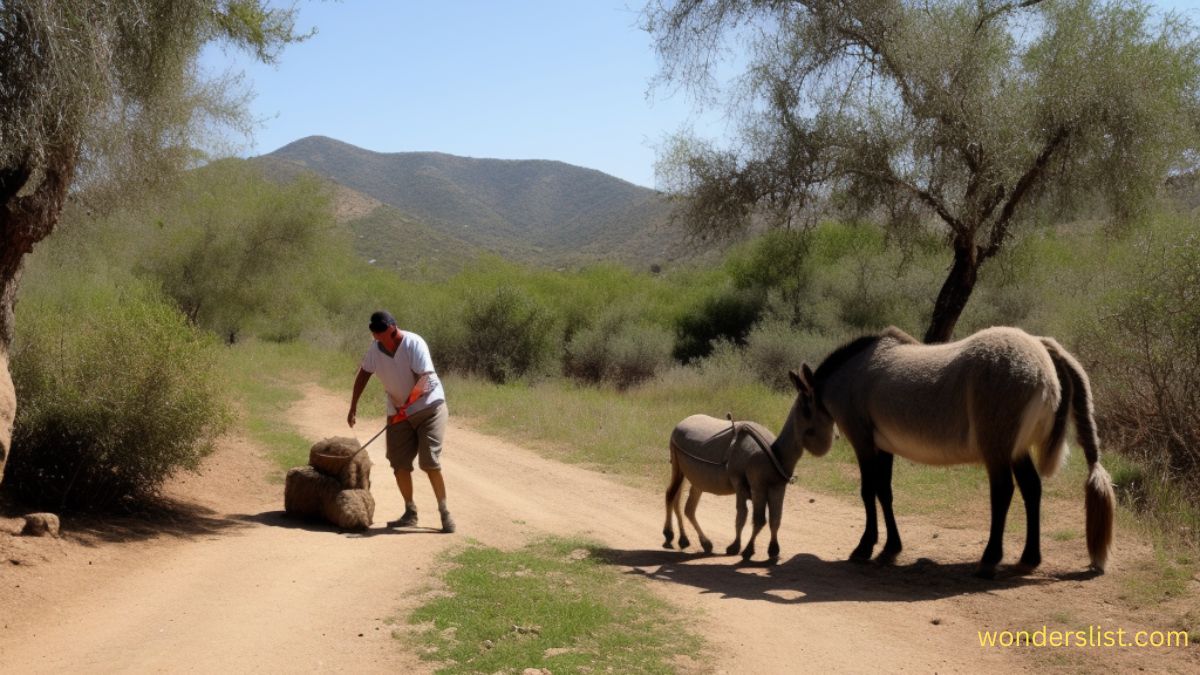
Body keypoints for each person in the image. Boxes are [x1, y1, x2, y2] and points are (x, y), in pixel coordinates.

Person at [347, 310, 455, 533]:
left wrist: (407, 406)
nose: (379, 337)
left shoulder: (413, 343)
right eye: (375, 333)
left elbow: (425, 378)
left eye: (382, 332)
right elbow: (364, 373)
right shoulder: (375, 349)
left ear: (393, 328)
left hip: (429, 409)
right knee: (399, 463)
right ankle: (410, 512)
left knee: (429, 462)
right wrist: (353, 405)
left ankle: (444, 512)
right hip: (399, 413)